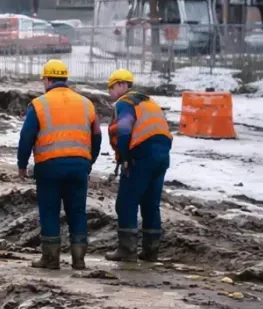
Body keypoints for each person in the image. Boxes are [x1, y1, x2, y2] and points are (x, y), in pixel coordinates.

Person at [17, 59, 102, 270]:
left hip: (49, 166)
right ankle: (79, 259)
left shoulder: (39, 104)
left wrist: (22, 164)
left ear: (47, 79)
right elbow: (97, 136)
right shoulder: (86, 103)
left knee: (50, 210)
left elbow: (26, 136)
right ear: (65, 79)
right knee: (77, 211)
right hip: (79, 165)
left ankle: (51, 258)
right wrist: (90, 161)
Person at [106, 69, 173, 263]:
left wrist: (125, 156)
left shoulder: (125, 102)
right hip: (162, 155)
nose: (110, 93)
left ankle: (127, 251)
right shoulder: (148, 101)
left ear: (120, 85)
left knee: (126, 202)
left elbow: (124, 129)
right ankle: (151, 251)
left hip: (142, 155)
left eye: (111, 88)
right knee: (151, 203)